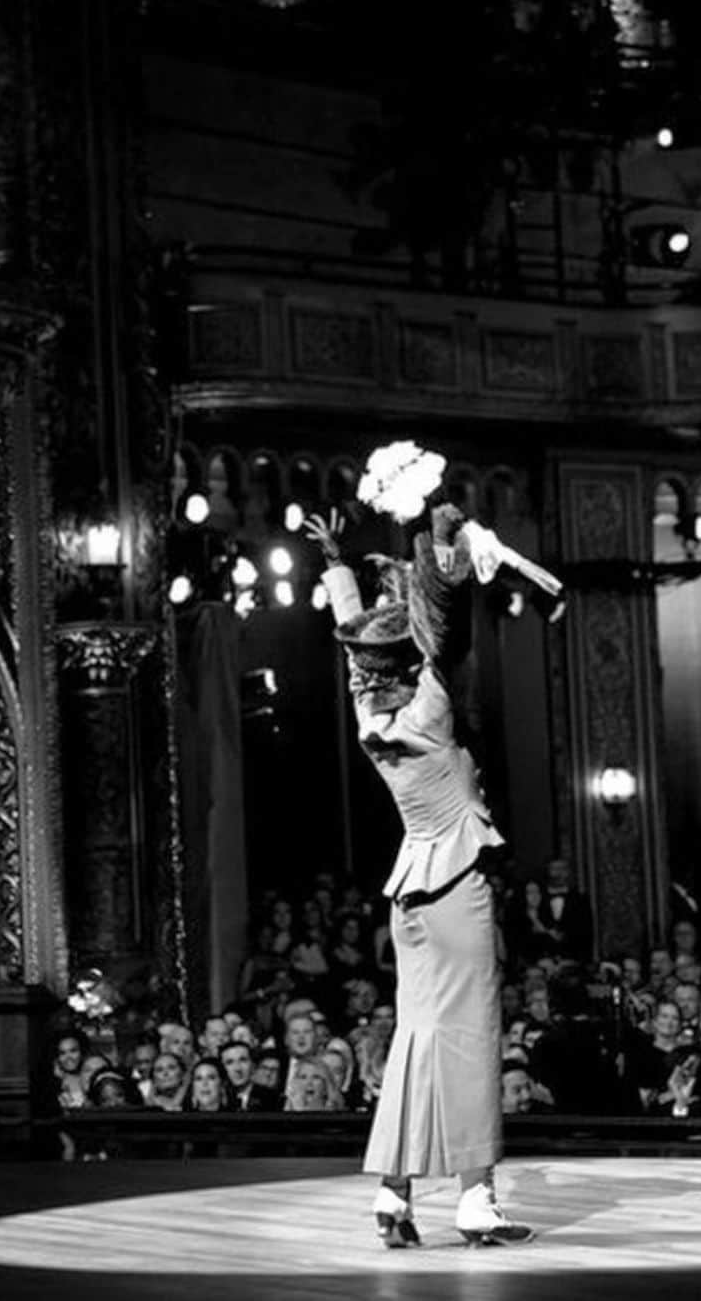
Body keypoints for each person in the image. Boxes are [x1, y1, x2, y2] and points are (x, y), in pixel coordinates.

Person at [305, 472, 539, 1249]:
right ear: (409, 662)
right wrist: (438, 549)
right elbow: (448, 631)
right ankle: (476, 1198)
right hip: (456, 881)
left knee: (416, 1037)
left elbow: (357, 640)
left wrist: (340, 568)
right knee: (471, 1032)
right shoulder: (431, 715)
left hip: (409, 895)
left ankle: (395, 1196)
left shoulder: (371, 714)